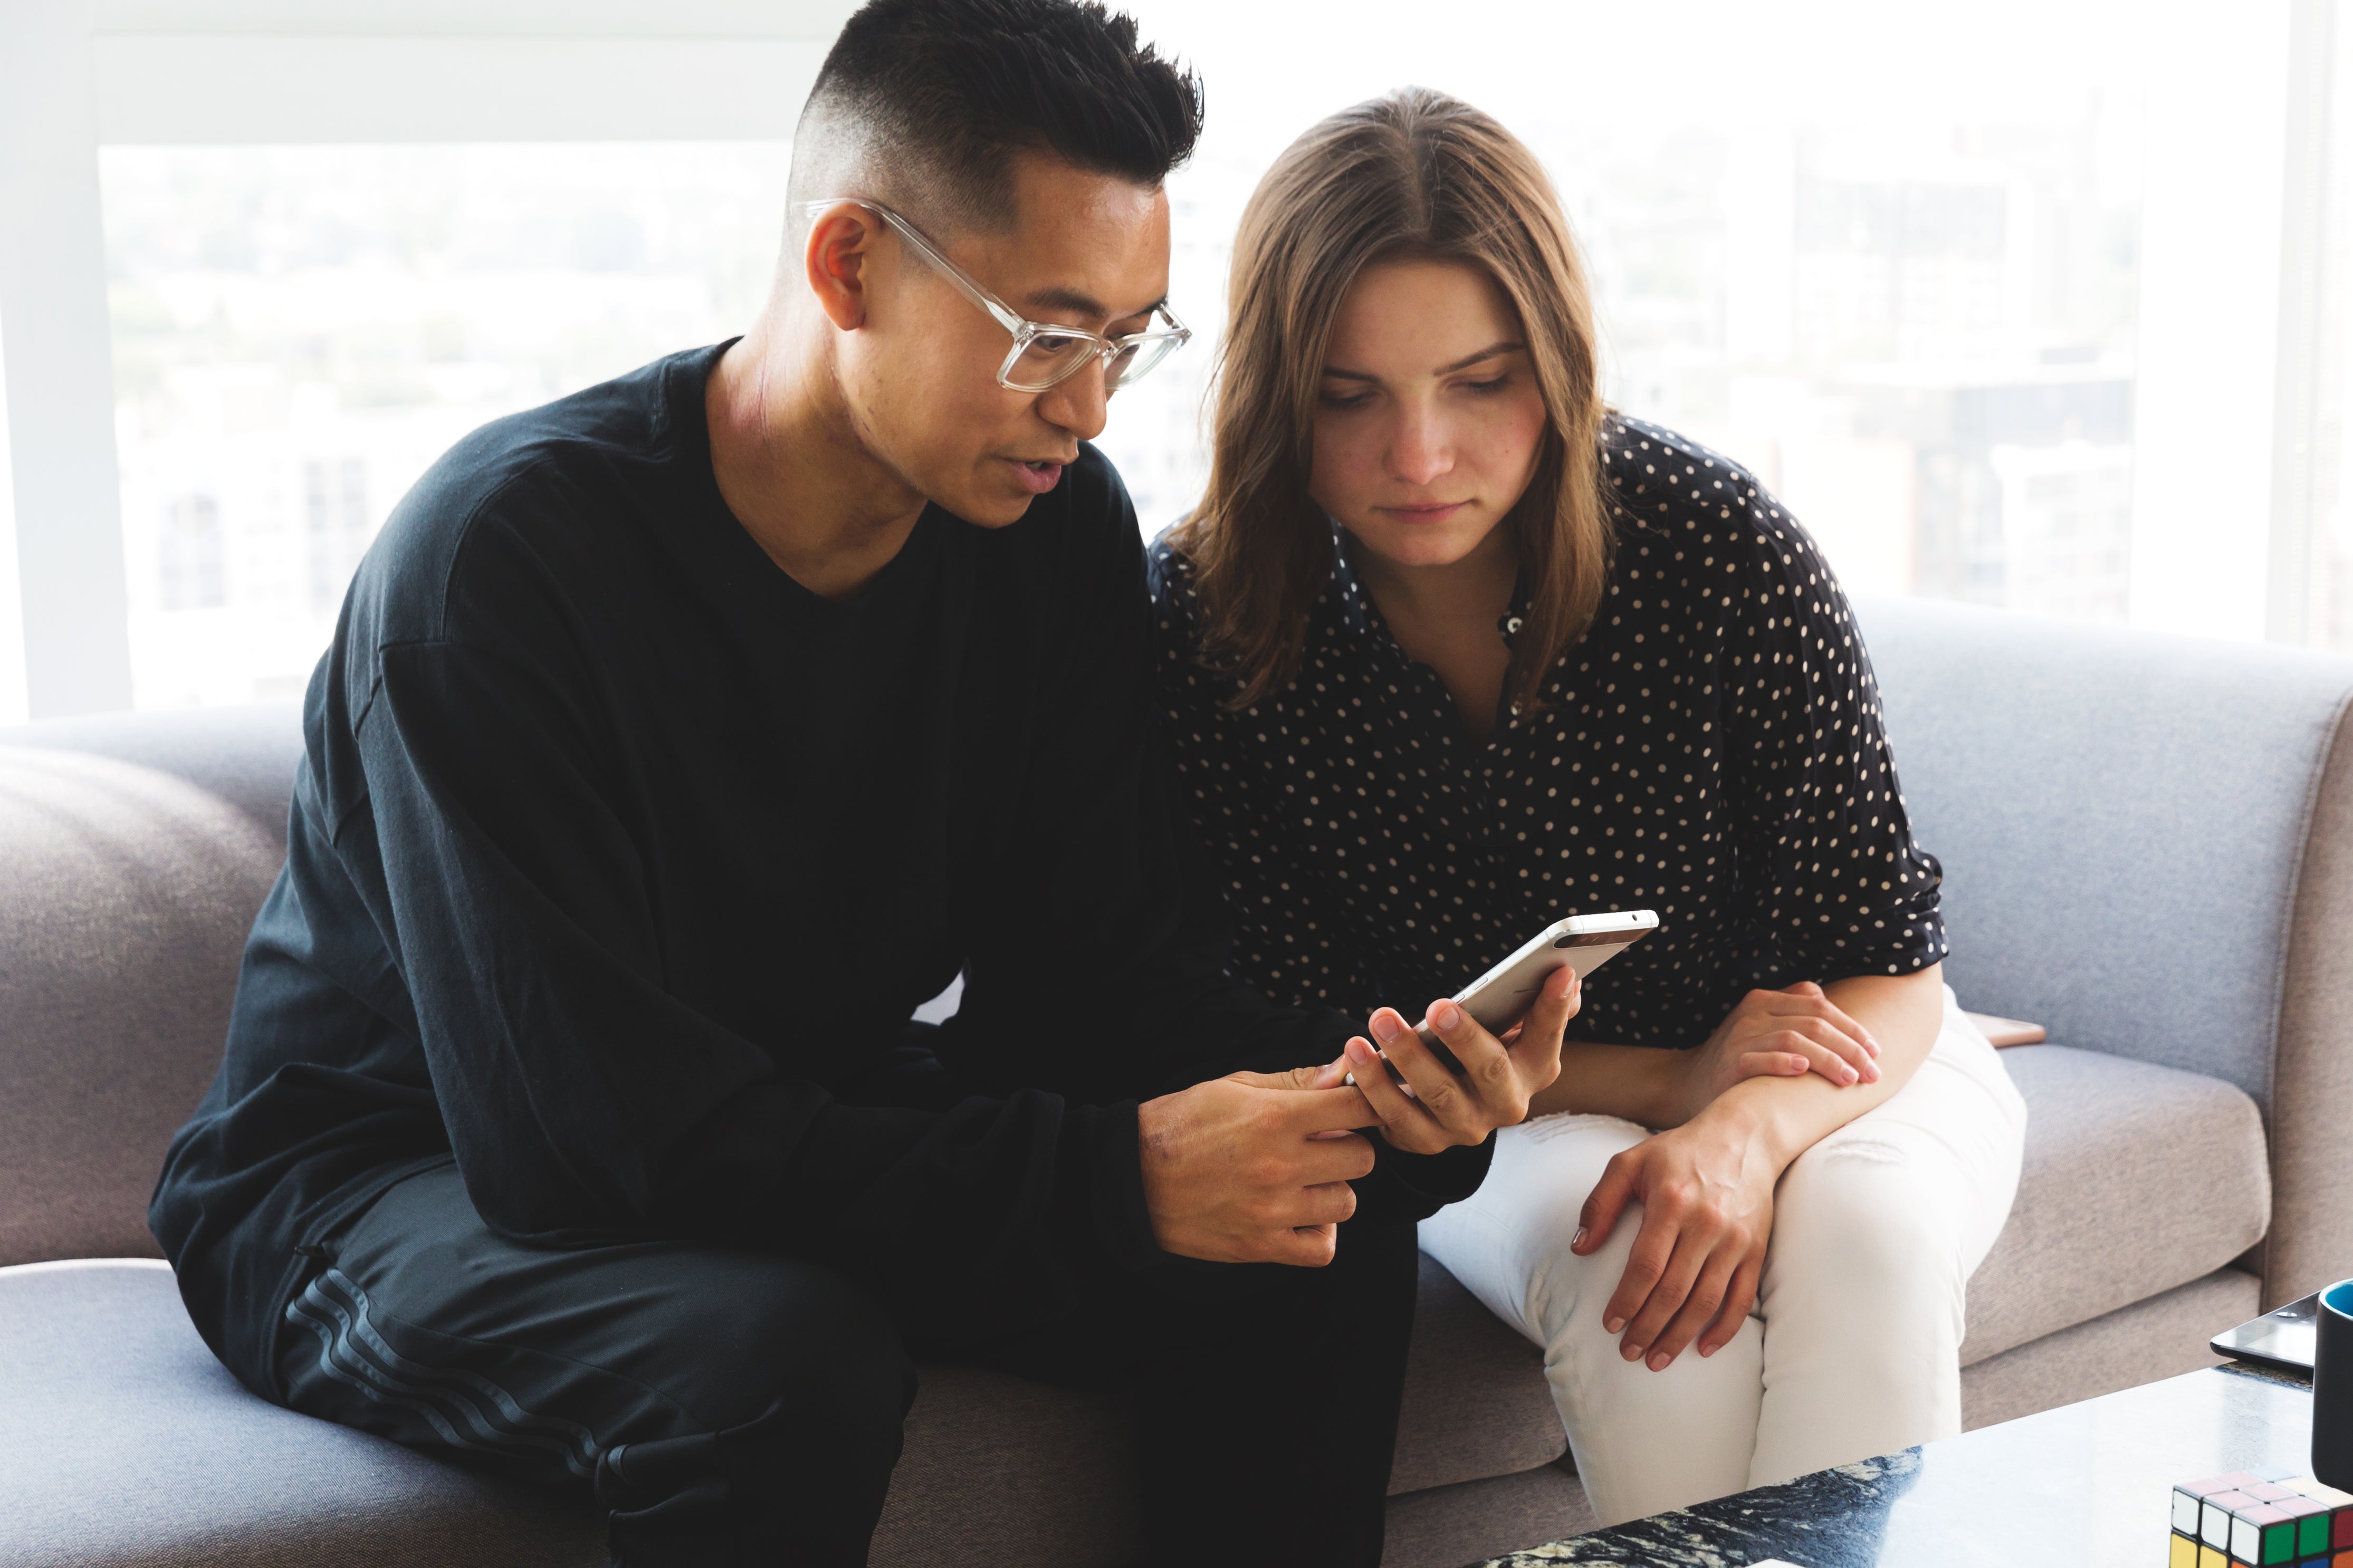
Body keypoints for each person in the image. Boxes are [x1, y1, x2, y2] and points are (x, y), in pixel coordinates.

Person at [148, 14, 1571, 1565]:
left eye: (1124, 341)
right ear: (848, 268)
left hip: (777, 1115)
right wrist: (1104, 1178)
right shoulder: (501, 570)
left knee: (1308, 1222)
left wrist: (1372, 1096)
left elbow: (1100, 984)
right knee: (770, 1360)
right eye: (1047, 334)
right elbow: (582, 1152)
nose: (1088, 406)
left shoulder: (1047, 536)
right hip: (382, 1187)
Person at [1149, 87, 2029, 1526]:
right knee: (1634, 1267)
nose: (1419, 455)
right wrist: (1658, 1092)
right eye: (1347, 394)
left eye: (1478, 382)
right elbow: (1298, 1031)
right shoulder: (1208, 626)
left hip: (1834, 1061)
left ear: (1554, 366)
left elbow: (1884, 955)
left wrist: (1736, 1131)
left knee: (1862, 1240)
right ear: (1269, 392)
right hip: (1509, 1118)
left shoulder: (1713, 548)